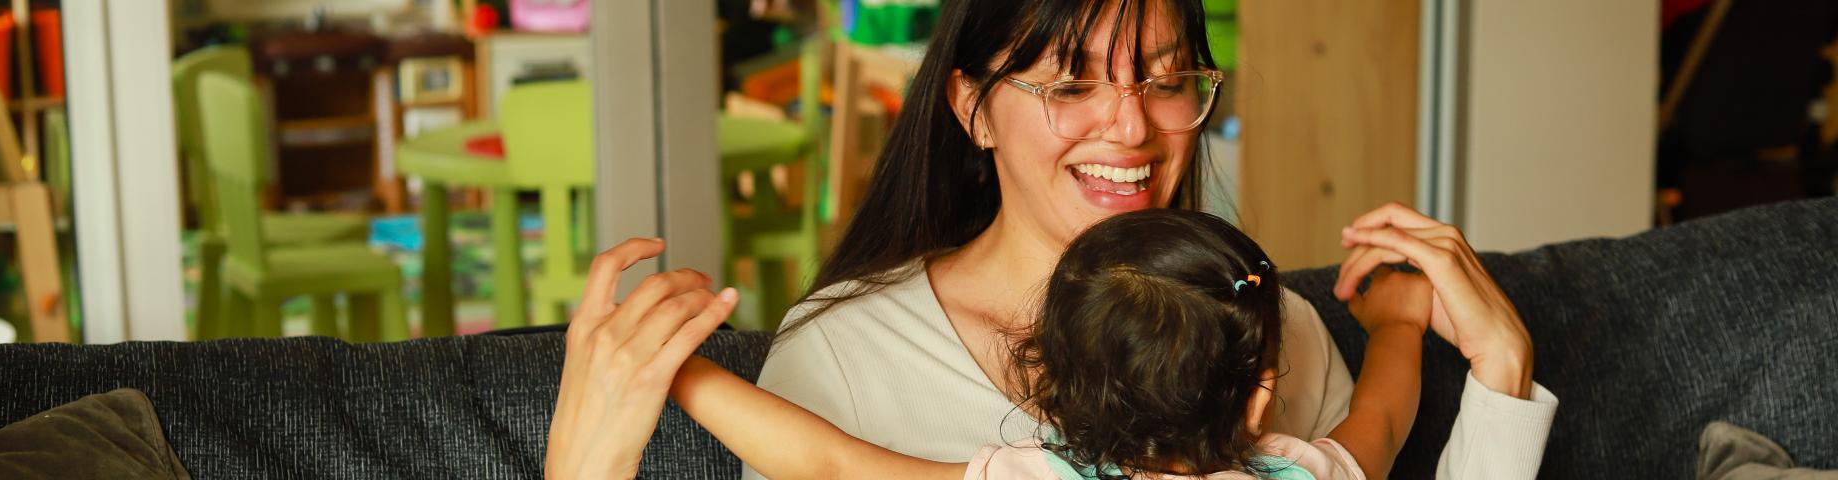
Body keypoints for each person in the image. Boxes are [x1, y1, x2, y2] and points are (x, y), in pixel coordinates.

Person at [545, 0, 1558, 477]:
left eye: (1165, 80)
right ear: (973, 109)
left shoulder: (1272, 320)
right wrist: (1404, 336)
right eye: (1071, 83)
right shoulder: (846, 359)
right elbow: (1374, 436)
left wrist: (1500, 357)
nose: (1129, 125)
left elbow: (836, 471)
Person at [544, 209, 1557, 479]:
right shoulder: (1304, 467)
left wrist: (680, 374)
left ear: (1048, 385)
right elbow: (1385, 413)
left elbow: (828, 460)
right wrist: (1398, 319)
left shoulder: (1036, 476)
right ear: (1262, 396)